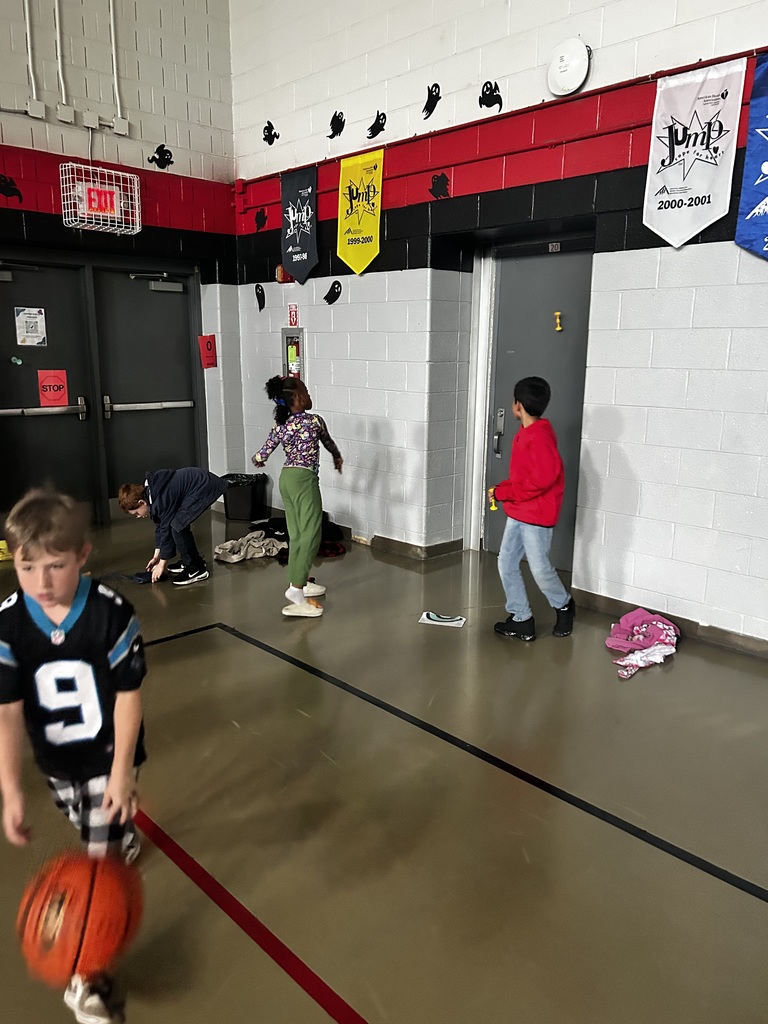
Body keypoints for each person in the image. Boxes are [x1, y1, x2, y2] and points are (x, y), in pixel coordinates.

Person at [0, 489, 147, 1024]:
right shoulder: (9, 625)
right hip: (56, 763)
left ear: (83, 555)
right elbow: (8, 711)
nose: (41, 582)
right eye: (27, 566)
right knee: (87, 823)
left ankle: (85, 977)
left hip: (107, 757)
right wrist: (11, 788)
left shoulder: (111, 614)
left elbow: (129, 695)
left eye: (55, 566)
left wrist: (122, 771)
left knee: (98, 863)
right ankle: (115, 835)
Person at [488, 377, 575, 642]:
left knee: (539, 568)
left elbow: (540, 481)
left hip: (536, 516)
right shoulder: (526, 434)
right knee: (506, 562)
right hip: (520, 512)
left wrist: (504, 493)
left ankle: (564, 605)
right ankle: (521, 618)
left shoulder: (539, 437)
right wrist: (502, 488)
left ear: (518, 405)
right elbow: (523, 478)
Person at [252, 376, 343, 618]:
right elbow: (327, 442)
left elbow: (262, 454)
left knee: (296, 534)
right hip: (304, 480)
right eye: (307, 392)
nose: (310, 395)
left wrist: (259, 460)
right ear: (299, 398)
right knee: (311, 534)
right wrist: (337, 456)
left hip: (287, 479)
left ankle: (300, 580)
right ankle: (296, 589)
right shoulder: (314, 421)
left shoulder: (282, 424)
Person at [118, 467, 227, 586]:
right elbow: (160, 526)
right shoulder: (152, 494)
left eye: (137, 513)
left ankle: (196, 568)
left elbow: (166, 531)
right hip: (199, 484)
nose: (139, 516)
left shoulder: (161, 498)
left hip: (205, 486)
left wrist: (161, 565)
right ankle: (189, 560)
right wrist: (156, 557)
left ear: (141, 502)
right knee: (176, 524)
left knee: (177, 526)